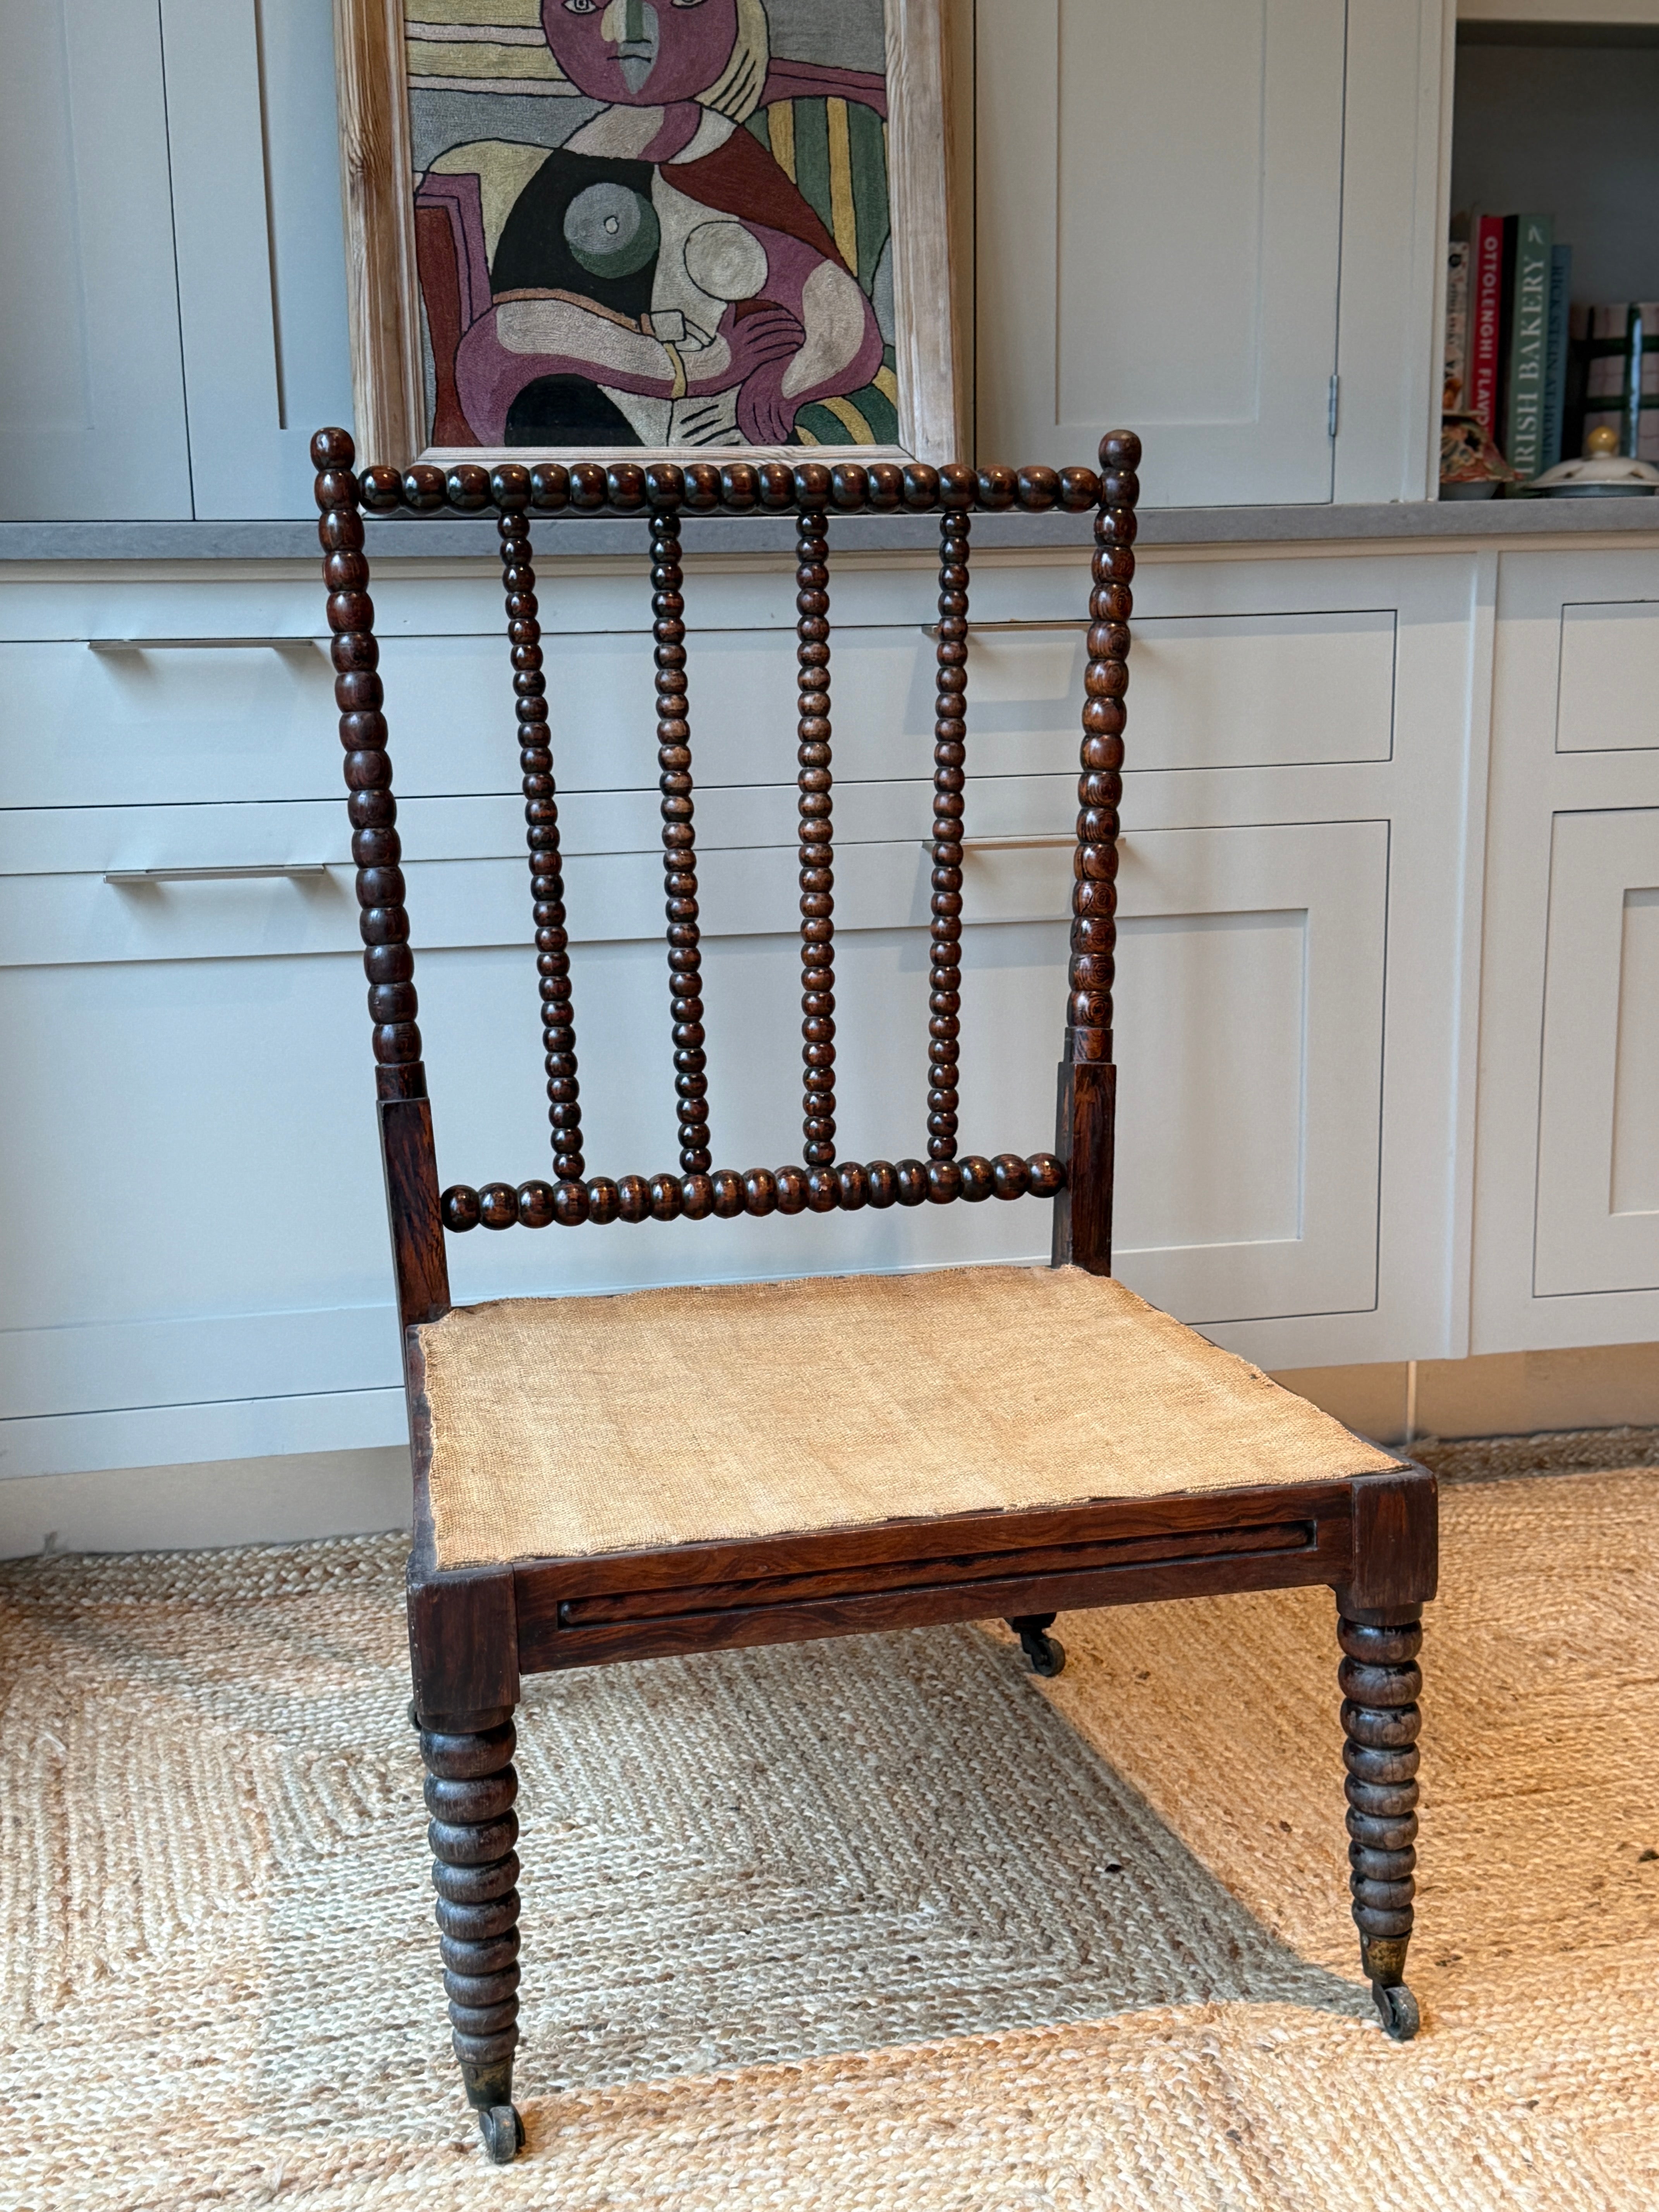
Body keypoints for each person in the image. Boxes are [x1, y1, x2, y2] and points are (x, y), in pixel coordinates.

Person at [414, 0, 884, 448]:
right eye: (583, 4)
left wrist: (786, 384)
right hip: (590, 426)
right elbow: (509, 341)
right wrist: (699, 367)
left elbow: (842, 321)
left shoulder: (725, 161)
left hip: (715, 436)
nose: (627, 34)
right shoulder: (568, 167)